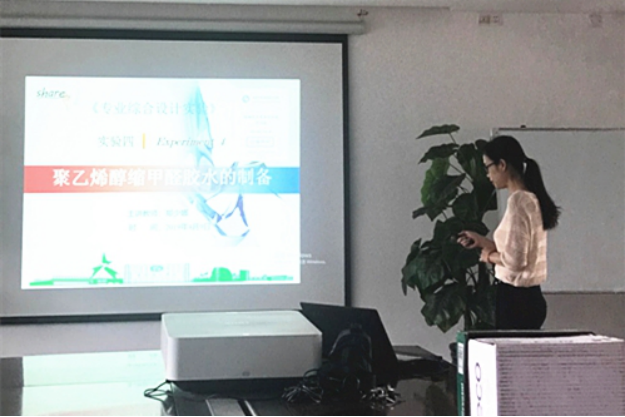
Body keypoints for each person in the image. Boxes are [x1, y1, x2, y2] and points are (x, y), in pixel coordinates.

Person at [457, 135, 560, 330]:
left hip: (515, 300)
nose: (488, 175)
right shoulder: (530, 199)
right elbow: (517, 251)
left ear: (502, 165)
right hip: (529, 297)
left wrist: (488, 256)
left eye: (488, 167)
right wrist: (482, 242)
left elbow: (515, 261)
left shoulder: (518, 202)